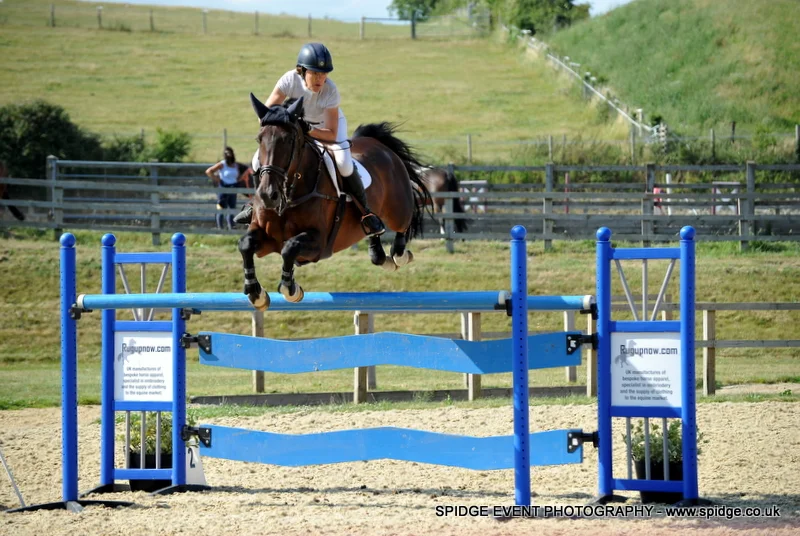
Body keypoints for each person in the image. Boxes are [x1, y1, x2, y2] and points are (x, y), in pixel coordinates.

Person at [234, 42, 384, 237]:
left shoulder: (330, 91)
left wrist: (307, 131)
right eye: (315, 73)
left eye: (324, 74)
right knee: (257, 160)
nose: (320, 78)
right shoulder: (289, 80)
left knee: (343, 163)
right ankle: (254, 204)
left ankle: (365, 212)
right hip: (297, 126)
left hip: (327, 126)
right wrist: (288, 125)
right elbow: (265, 116)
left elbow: (330, 133)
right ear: (302, 70)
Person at [206, 147, 251, 230]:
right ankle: (220, 227)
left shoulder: (235, 165)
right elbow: (209, 171)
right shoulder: (222, 164)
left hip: (233, 187)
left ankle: (231, 226)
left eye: (229, 153)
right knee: (221, 207)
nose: (228, 155)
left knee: (232, 207)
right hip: (223, 187)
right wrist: (218, 179)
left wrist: (240, 178)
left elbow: (240, 175)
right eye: (226, 153)